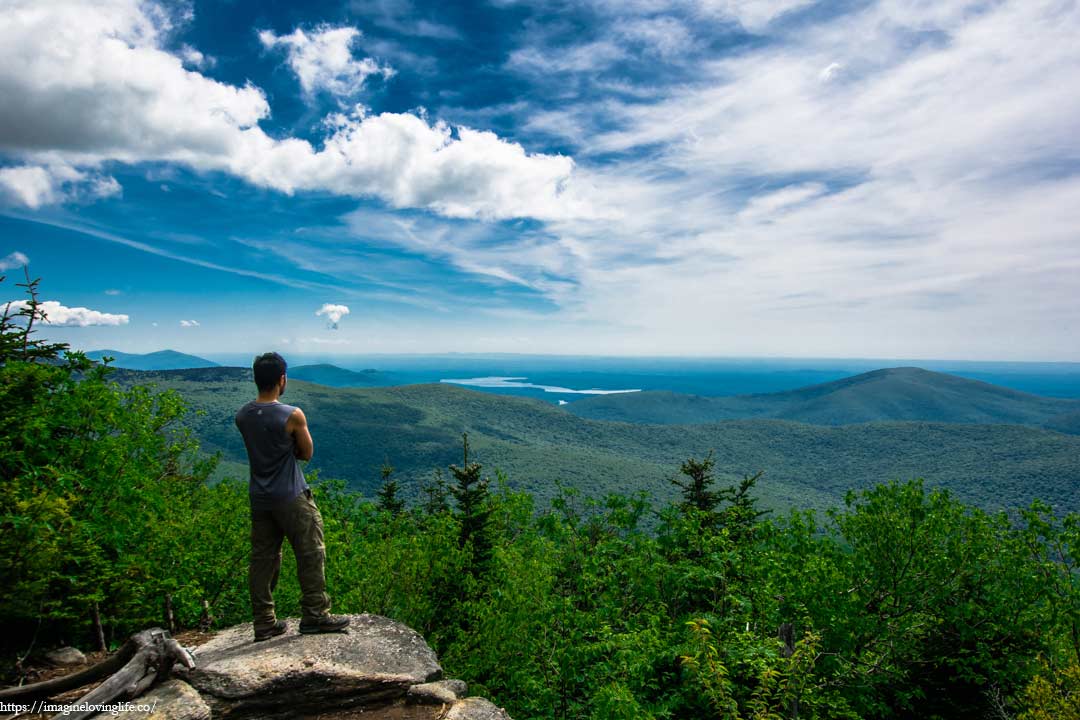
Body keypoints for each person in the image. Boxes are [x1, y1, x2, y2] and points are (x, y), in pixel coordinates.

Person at [235, 352, 350, 642]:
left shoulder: (243, 416)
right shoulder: (292, 414)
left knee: (263, 560)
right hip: (291, 496)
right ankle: (315, 615)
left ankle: (264, 623)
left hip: (259, 498)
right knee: (311, 552)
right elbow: (306, 453)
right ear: (282, 379)